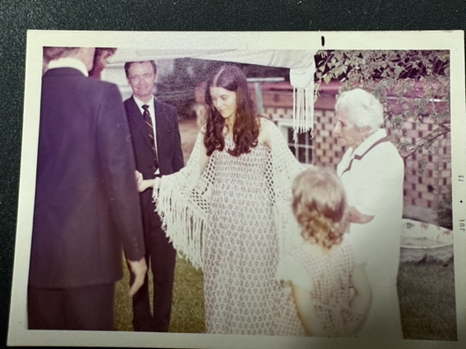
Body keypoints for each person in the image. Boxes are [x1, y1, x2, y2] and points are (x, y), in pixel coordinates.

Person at [136, 65, 305, 335]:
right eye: (213, 99)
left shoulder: (265, 129)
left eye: (224, 97)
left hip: (257, 227)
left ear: (240, 94)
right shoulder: (209, 131)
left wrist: (328, 190)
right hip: (221, 228)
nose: (218, 104)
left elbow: (293, 170)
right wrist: (151, 182)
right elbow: (189, 176)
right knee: (222, 294)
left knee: (257, 290)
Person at [28, 47, 147, 330]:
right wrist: (136, 254)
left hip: (31, 257)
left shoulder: (24, 94)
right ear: (86, 46)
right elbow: (119, 178)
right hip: (88, 257)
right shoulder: (102, 94)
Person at [333, 88, 404, 338]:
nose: (335, 130)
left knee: (373, 326)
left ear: (364, 128)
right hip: (351, 255)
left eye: (342, 124)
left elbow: (363, 214)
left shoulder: (384, 157)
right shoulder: (355, 150)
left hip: (371, 262)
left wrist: (318, 207)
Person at [123, 60, 184, 332]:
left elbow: (178, 161)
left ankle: (161, 328)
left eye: (146, 75)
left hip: (166, 200)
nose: (142, 82)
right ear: (128, 79)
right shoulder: (119, 113)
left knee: (164, 270)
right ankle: (141, 324)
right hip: (134, 203)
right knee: (139, 267)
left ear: (155, 75)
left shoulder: (169, 112)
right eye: (135, 77)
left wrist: (179, 196)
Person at [277, 167, 372, 337]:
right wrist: (348, 328)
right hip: (335, 329)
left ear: (299, 212)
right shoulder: (350, 248)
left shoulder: (297, 261)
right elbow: (364, 294)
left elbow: (307, 315)